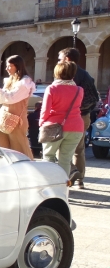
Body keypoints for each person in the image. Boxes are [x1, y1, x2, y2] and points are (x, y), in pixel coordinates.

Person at [58, 48, 99, 189]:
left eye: (60, 58)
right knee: (79, 149)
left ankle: (72, 172)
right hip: (83, 116)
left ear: (67, 59)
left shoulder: (70, 74)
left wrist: (75, 109)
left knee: (59, 147)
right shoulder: (86, 74)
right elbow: (95, 98)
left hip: (71, 117)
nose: (58, 61)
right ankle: (80, 179)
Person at [0, 55, 35, 158]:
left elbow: (10, 98)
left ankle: (27, 171)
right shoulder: (11, 80)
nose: (6, 69)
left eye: (9, 66)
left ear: (17, 66)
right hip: (4, 118)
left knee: (20, 150)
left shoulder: (25, 83)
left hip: (16, 121)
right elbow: (2, 99)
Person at [39, 61, 84, 177]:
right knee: (66, 158)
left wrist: (41, 124)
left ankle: (49, 183)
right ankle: (62, 185)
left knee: (48, 156)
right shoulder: (79, 90)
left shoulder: (52, 88)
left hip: (53, 126)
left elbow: (45, 110)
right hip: (76, 127)